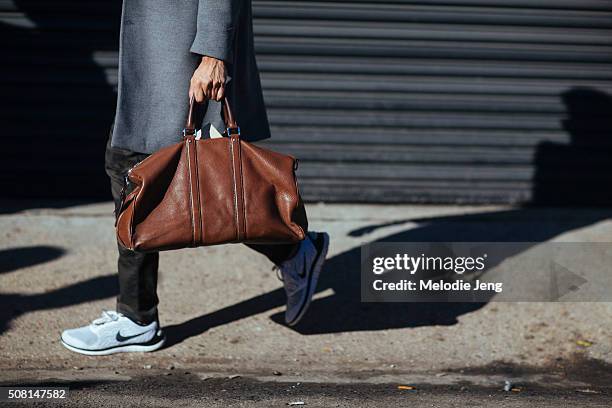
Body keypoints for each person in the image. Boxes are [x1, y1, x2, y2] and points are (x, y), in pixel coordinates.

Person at [60, 0, 329, 355]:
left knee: (167, 178)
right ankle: (294, 251)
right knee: (156, 176)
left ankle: (138, 319)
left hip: (185, 53)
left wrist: (213, 55)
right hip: (163, 48)